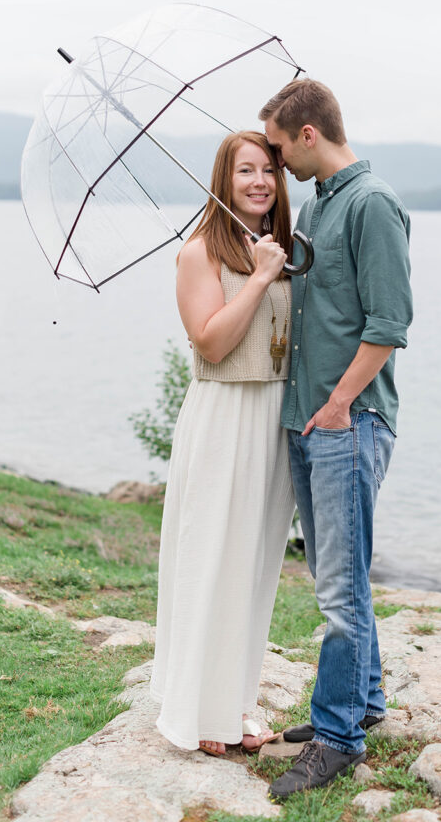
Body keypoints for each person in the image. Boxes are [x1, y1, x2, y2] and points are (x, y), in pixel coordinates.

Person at [259, 80, 413, 798]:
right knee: (338, 577)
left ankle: (338, 737)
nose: (275, 159)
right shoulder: (320, 204)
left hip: (345, 425)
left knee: (338, 593)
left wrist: (338, 407)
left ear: (310, 133)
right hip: (310, 421)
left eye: (279, 146)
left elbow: (389, 325)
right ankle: (365, 701)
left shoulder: (372, 204)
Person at [150, 130, 296, 756]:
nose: (260, 181)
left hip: (271, 417)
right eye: (246, 171)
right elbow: (210, 341)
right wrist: (262, 279)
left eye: (269, 170)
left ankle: (235, 698)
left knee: (255, 565)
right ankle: (200, 713)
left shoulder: (276, 246)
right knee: (211, 558)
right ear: (224, 178)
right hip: (222, 418)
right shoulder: (198, 252)